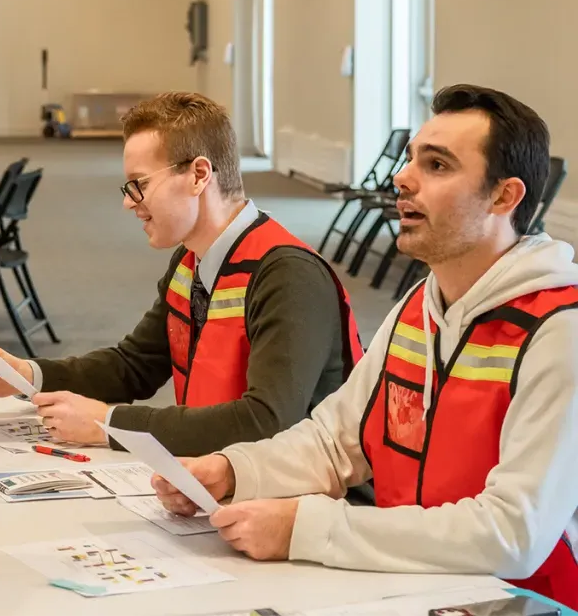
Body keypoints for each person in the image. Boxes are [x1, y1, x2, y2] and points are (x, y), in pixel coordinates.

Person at [154, 85, 578, 611]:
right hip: (405, 588)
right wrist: (233, 470)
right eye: (410, 159)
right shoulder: (417, 309)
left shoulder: (560, 330)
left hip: (518, 602)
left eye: (438, 165)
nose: (402, 178)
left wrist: (307, 529)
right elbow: (335, 442)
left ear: (503, 197)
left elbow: (512, 535)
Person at [0, 92, 365, 458]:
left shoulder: (288, 275)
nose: (129, 203)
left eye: (139, 184)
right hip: (225, 482)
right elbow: (136, 365)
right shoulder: (191, 261)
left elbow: (266, 423)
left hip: (307, 507)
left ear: (199, 175)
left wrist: (109, 424)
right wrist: (27, 375)